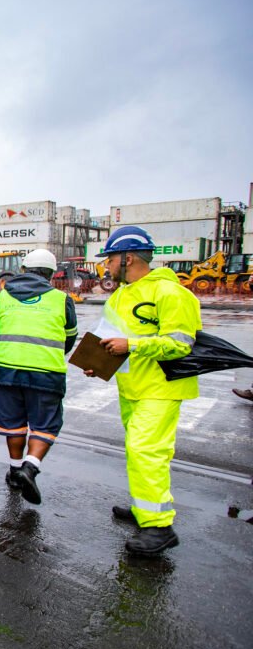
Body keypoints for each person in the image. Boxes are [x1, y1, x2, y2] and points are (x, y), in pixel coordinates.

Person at [86, 225, 201, 556]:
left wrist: (131, 344)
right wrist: (98, 363)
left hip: (161, 388)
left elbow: (181, 344)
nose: (105, 266)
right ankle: (144, 509)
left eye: (109, 260)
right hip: (131, 386)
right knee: (138, 452)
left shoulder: (172, 294)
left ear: (128, 258)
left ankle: (159, 528)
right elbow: (110, 338)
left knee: (147, 451)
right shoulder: (122, 295)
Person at [0, 248, 78, 505]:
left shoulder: (3, 296)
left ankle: (15, 471)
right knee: (45, 425)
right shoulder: (62, 299)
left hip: (8, 369)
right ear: (51, 274)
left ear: (23, 270)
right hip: (46, 372)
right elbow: (69, 337)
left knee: (13, 423)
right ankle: (30, 467)